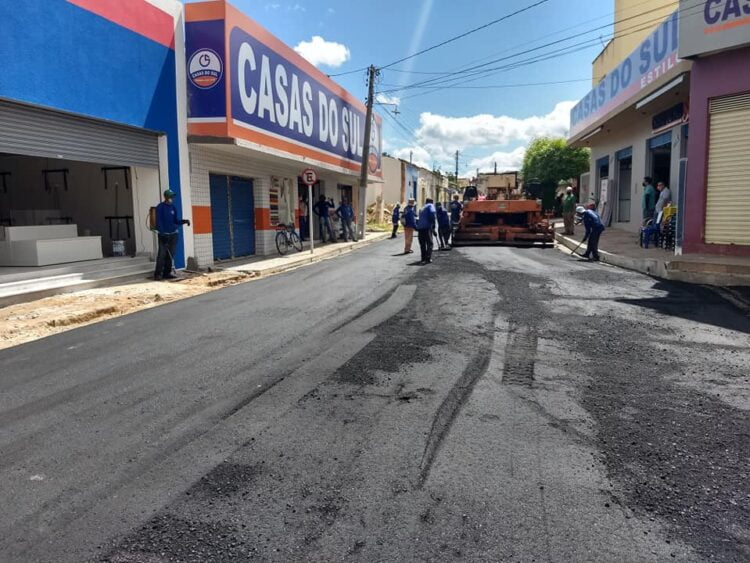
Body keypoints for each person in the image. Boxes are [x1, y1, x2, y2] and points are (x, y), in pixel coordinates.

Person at [154, 189, 189, 280]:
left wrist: (184, 221)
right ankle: (158, 274)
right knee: (162, 255)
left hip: (173, 235)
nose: (172, 198)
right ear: (166, 197)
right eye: (170, 196)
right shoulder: (160, 207)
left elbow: (176, 220)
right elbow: (158, 222)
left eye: (172, 197)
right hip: (164, 235)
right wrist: (162, 234)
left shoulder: (173, 207)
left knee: (171, 255)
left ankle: (167, 273)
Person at [417, 198, 437, 264]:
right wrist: (433, 225)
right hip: (426, 227)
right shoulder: (430, 206)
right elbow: (432, 213)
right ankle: (428, 258)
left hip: (420, 228)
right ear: (432, 202)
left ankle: (423, 258)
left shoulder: (422, 208)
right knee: (430, 243)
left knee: (422, 244)